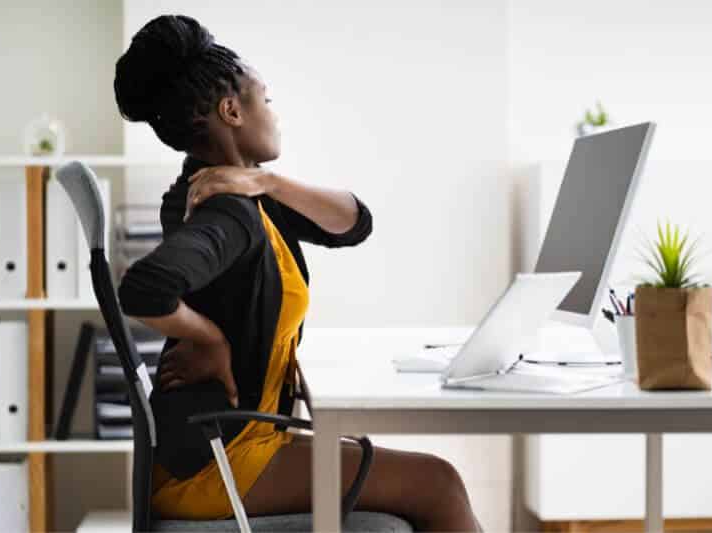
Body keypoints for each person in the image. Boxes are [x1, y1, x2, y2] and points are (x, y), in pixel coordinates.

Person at [114, 14, 481, 532]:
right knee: (439, 484)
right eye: (267, 99)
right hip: (217, 460)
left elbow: (354, 223)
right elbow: (144, 288)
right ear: (232, 110)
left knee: (426, 484)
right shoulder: (225, 211)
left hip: (232, 439)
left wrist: (269, 182)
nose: (275, 114)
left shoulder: (242, 195)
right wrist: (212, 339)